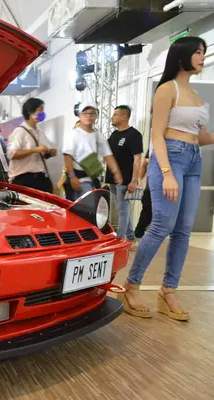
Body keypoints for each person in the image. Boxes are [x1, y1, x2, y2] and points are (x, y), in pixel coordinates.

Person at [119, 36, 214, 321]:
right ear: (182, 55)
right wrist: (167, 173)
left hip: (193, 158)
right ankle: (131, 285)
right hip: (169, 158)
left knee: (183, 230)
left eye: (204, 52)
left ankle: (168, 290)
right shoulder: (166, 89)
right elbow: (156, 135)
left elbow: (201, 137)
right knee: (162, 224)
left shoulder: (196, 96)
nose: (202, 56)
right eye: (197, 52)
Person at [61, 103, 122, 200]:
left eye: (92, 113)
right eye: (85, 113)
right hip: (80, 180)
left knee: (93, 211)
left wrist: (116, 172)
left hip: (94, 180)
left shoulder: (99, 136)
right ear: (80, 115)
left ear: (96, 116)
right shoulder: (73, 135)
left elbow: (108, 156)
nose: (89, 116)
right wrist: (72, 177)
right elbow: (67, 157)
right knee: (84, 211)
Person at [105, 105, 143, 249]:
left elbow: (137, 159)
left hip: (125, 180)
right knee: (123, 210)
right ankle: (132, 239)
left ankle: (120, 240)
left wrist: (134, 179)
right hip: (112, 180)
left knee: (122, 211)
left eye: (115, 115)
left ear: (124, 117)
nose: (112, 117)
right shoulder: (114, 136)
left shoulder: (134, 135)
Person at [7, 98, 56, 192]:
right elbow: (11, 154)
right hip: (24, 179)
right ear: (30, 112)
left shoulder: (40, 132)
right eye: (40, 110)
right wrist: (35, 150)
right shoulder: (19, 132)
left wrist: (50, 152)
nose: (43, 113)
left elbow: (43, 154)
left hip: (41, 177)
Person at [134, 146, 152, 239]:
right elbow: (145, 163)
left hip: (167, 186)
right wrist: (139, 178)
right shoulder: (153, 147)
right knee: (147, 211)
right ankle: (138, 233)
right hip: (151, 187)